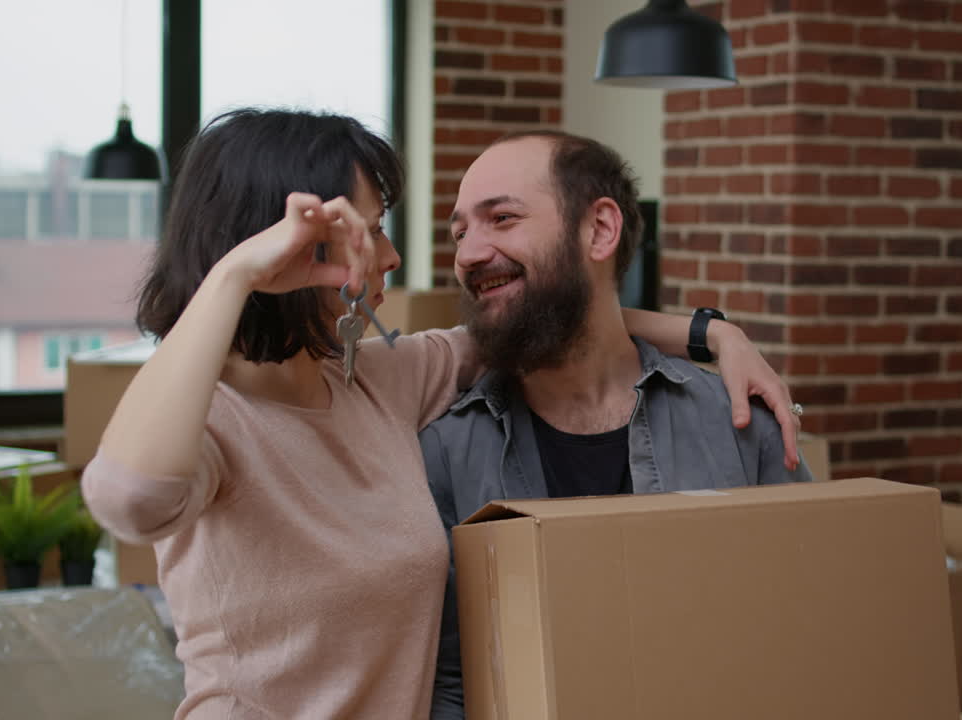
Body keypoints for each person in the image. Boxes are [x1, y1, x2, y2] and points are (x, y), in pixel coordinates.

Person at [81, 108, 797, 719]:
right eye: (369, 232)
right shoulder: (211, 420)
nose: (392, 256)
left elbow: (549, 317)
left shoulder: (379, 381)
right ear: (283, 250)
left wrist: (713, 334)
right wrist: (234, 276)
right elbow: (131, 500)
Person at [423, 130, 815, 719]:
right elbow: (451, 682)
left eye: (502, 218)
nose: (468, 255)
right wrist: (715, 332)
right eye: (459, 233)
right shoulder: (445, 450)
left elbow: (806, 631)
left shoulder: (738, 424)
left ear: (600, 230)